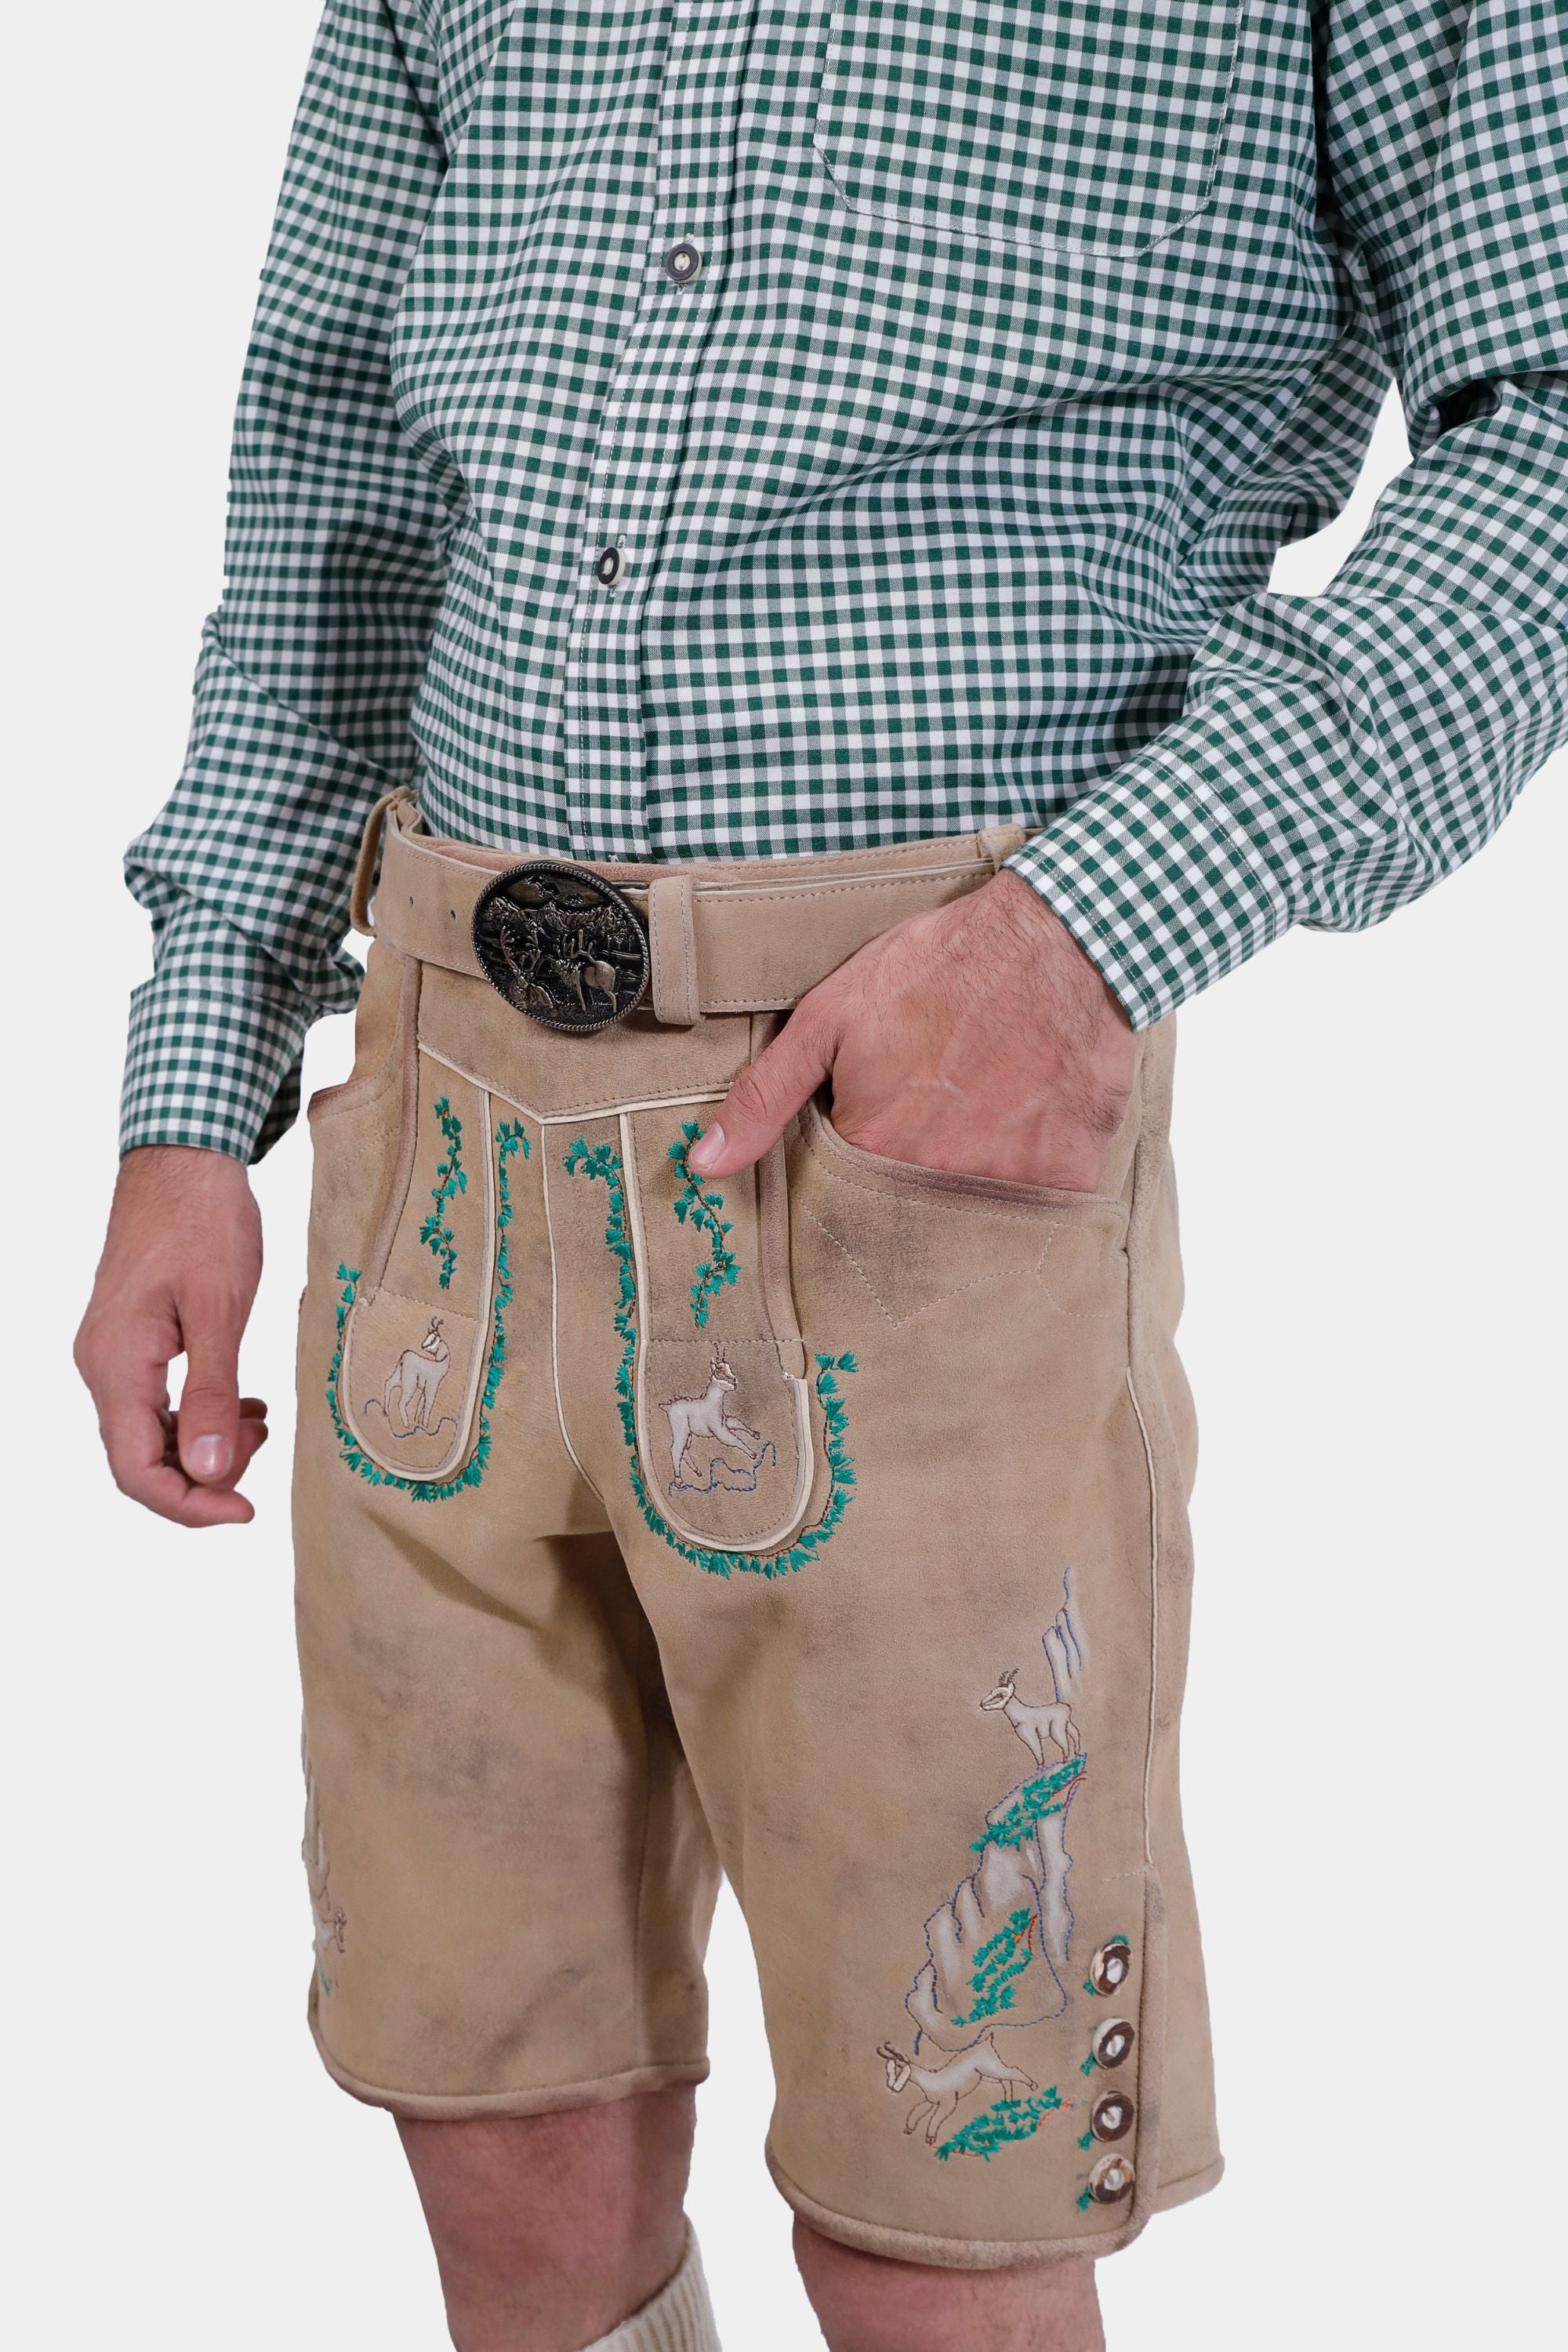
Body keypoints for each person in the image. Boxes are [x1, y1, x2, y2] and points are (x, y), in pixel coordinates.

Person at [74, 6, 1566, 2349]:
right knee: (496, 2116)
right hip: (443, 1137)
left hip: (913, 1168)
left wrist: (1093, 930)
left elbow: (1551, 421)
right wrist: (194, 1090)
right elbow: (335, 462)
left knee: (936, 2219)